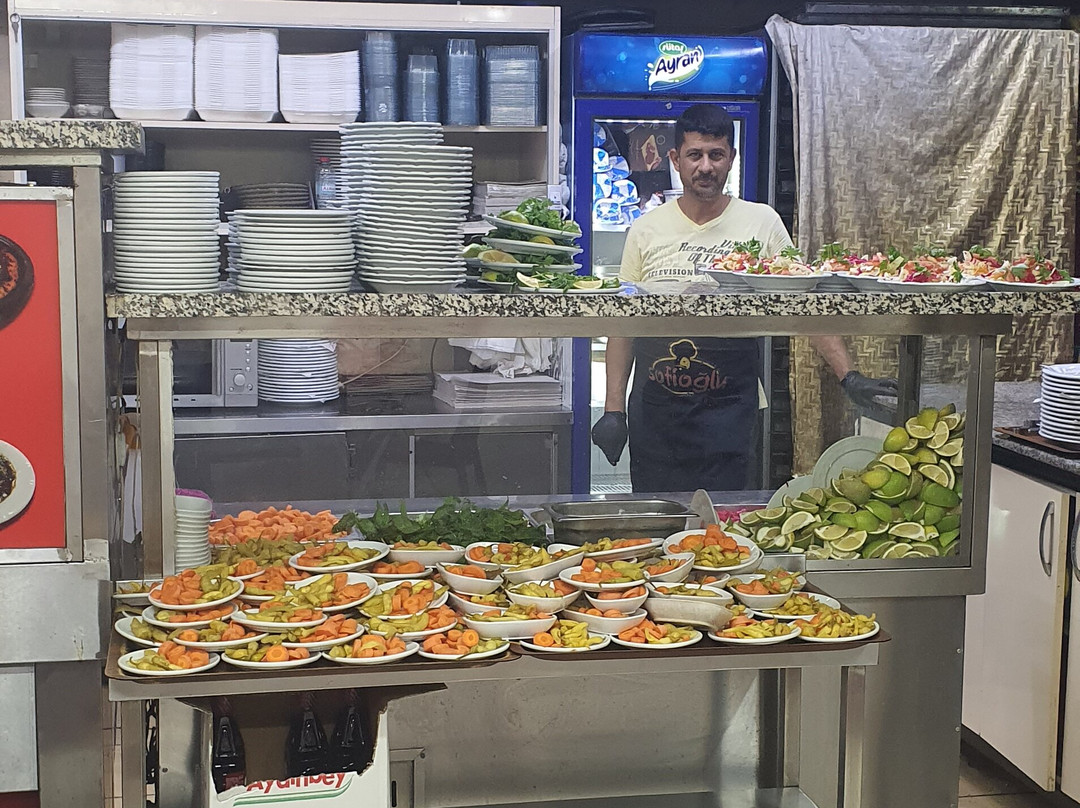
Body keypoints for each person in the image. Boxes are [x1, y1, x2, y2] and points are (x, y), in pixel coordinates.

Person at [591, 104, 896, 492]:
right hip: (657, 411)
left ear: (731, 158)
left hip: (730, 411)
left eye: (716, 155)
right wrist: (613, 409)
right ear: (675, 159)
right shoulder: (646, 228)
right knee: (661, 520)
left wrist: (847, 375)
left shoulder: (762, 222)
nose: (706, 166)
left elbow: (801, 303)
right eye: (695, 155)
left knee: (729, 521)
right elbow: (623, 323)